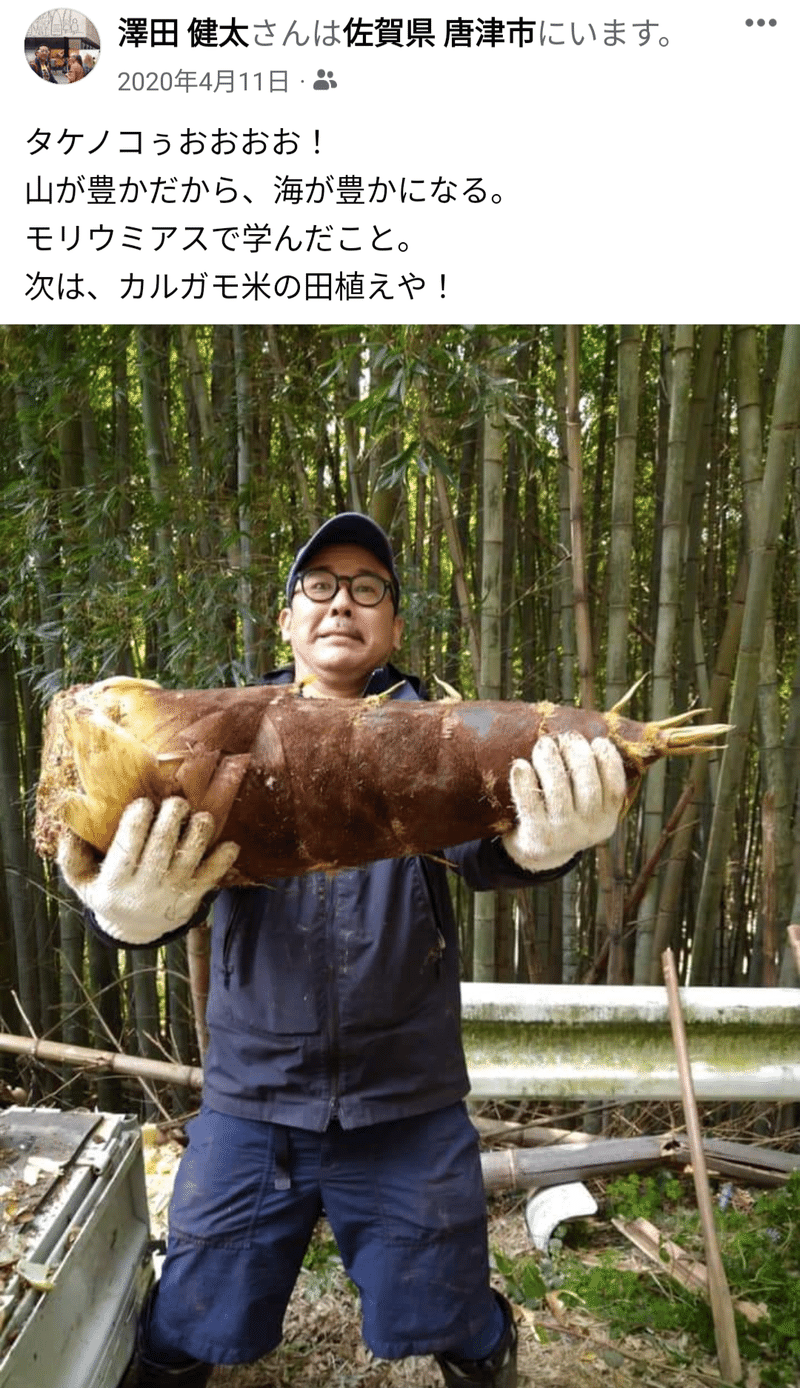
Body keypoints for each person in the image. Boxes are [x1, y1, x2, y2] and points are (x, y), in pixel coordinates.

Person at [58, 513, 627, 1388]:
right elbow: (161, 883)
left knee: (455, 1318)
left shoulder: (444, 736)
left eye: (368, 589)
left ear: (394, 626)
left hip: (408, 1099)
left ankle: (488, 1354)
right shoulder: (213, 740)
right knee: (186, 1323)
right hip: (254, 1100)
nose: (341, 603)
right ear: (286, 620)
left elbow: (496, 853)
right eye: (318, 586)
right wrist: (128, 913)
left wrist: (551, 841)